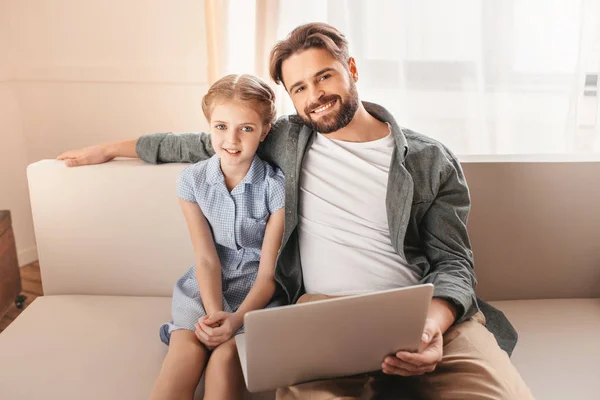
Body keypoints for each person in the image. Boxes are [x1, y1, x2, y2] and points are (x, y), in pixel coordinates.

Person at [58, 23, 534, 399]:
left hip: (421, 312)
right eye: (299, 87)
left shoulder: (429, 159)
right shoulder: (282, 139)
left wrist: (432, 325)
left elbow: (454, 262)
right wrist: (108, 148)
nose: (315, 96)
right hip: (322, 318)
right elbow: (198, 140)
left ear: (350, 68)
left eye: (324, 76)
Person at [148, 74, 285, 400]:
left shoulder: (275, 188)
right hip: (205, 289)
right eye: (221, 126)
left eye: (246, 128)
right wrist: (212, 315)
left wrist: (235, 320)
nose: (232, 139)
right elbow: (207, 258)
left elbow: (268, 274)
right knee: (184, 354)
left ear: (264, 130)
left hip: (256, 298)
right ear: (209, 125)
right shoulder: (191, 182)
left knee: (225, 361)